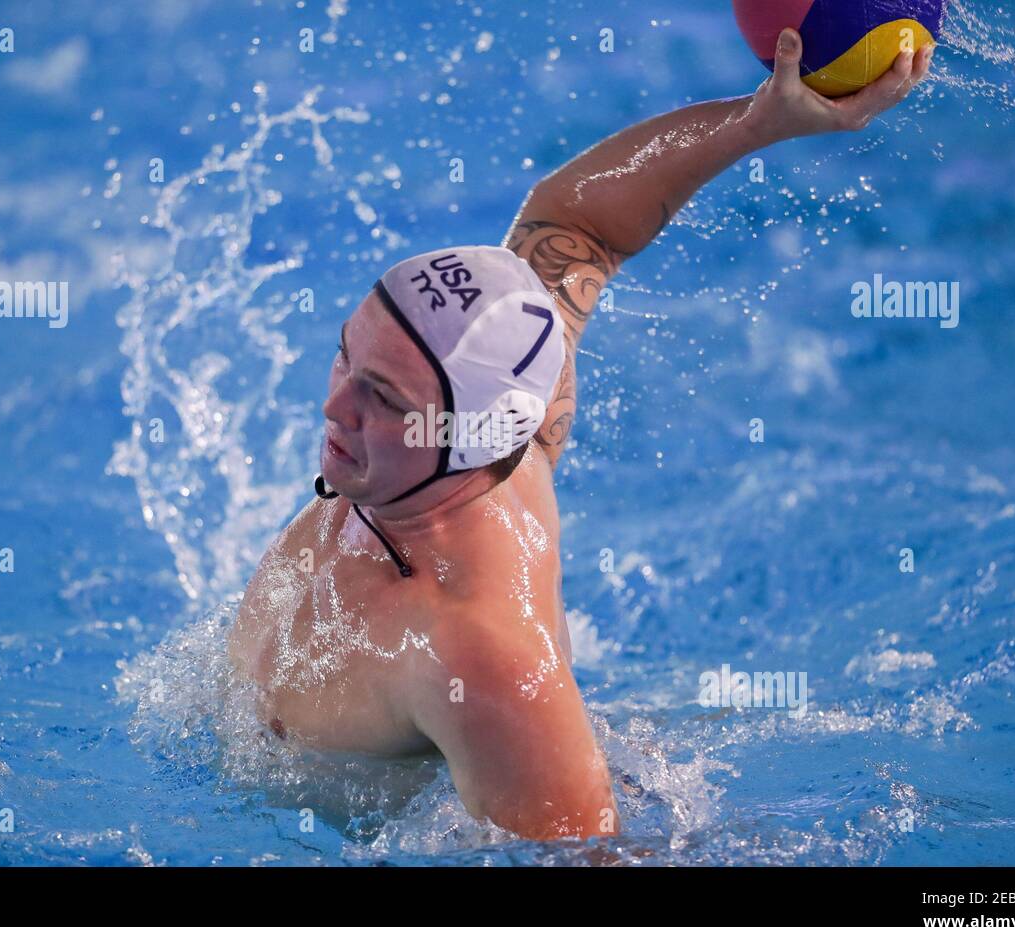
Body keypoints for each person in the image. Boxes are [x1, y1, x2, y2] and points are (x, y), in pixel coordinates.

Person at [228, 31, 935, 840]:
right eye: (344, 358)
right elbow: (576, 223)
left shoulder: (479, 655)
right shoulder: (480, 422)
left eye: (383, 397)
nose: (335, 409)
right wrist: (759, 121)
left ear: (478, 432)